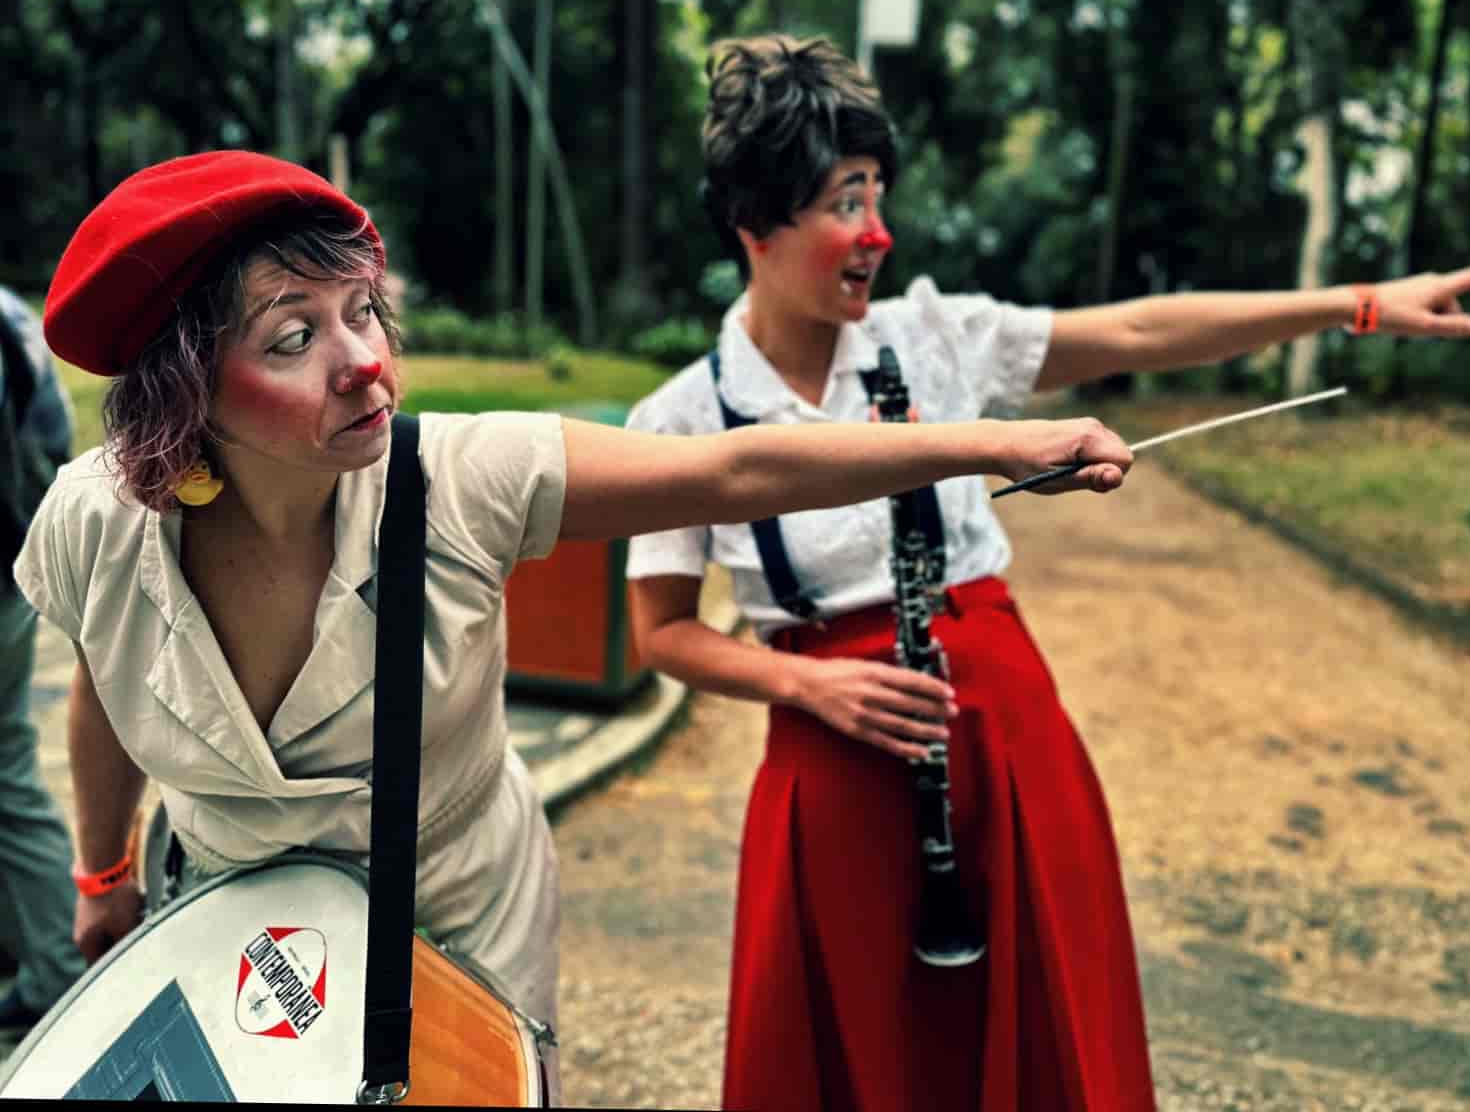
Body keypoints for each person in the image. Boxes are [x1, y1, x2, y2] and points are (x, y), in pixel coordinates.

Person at [10, 149, 1134, 1091]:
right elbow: (110, 694)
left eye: (362, 312)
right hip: (227, 915)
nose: (364, 364)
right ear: (186, 384)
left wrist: (999, 443)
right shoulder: (94, 521)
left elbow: (735, 469)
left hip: (449, 921)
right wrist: (104, 877)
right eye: (293, 338)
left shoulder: (464, 477)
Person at [622, 34, 1470, 1112]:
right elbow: (658, 634)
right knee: (861, 1057)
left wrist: (1355, 304)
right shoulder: (679, 416)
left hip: (1004, 739)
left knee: (1044, 1047)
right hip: (832, 763)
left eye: (879, 195)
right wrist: (806, 684)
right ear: (756, 221)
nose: (877, 232)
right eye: (845, 202)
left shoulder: (933, 337)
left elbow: (1137, 326)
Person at [0, 285, 85, 1038]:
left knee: (6, 777)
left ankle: (56, 971)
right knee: (7, 771)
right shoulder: (10, 313)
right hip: (11, 574)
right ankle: (44, 962)